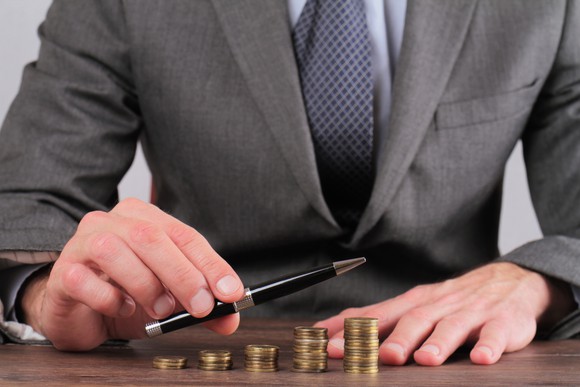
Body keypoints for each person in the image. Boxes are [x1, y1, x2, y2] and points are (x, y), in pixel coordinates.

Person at [0, 0, 579, 367]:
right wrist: (47, 289)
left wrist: (537, 283)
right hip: (199, 348)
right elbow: (26, 202)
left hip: (449, 359)